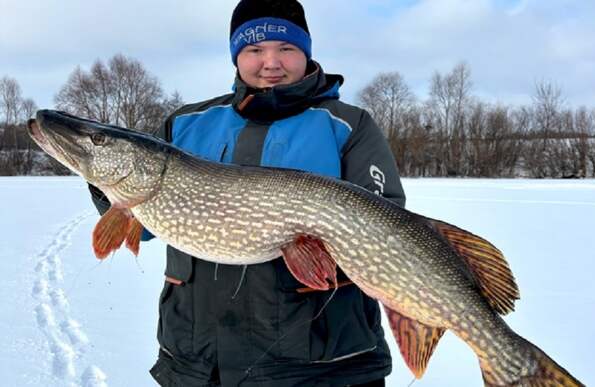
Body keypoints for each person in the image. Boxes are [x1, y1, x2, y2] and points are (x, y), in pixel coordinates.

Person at [90, 0, 406, 385]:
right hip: (199, 364)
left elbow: (384, 227)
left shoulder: (348, 125)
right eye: (255, 49)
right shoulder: (186, 124)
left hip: (323, 368)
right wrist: (100, 176)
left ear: (305, 53)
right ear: (236, 55)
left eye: (286, 49)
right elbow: (140, 226)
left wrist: (312, 247)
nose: (271, 62)